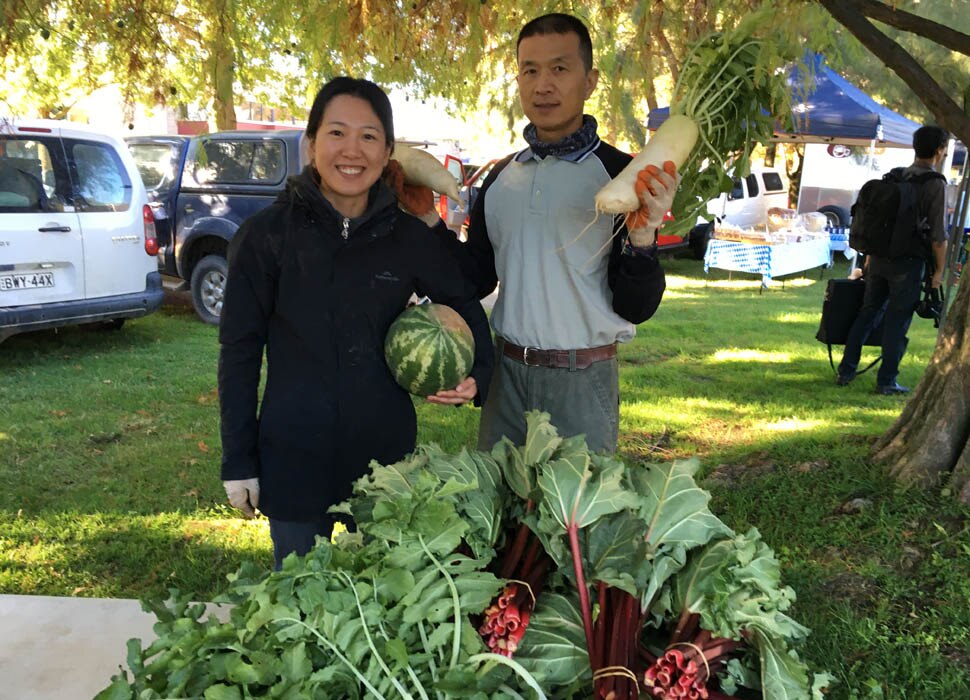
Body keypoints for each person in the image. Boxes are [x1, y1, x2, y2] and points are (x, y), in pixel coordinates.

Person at [218, 77, 494, 569]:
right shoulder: (265, 237)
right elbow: (239, 351)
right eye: (336, 133)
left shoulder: (410, 238)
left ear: (388, 151)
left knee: (390, 604)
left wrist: (479, 375)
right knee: (302, 605)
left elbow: (466, 304)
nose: (352, 150)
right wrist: (238, 458)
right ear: (311, 144)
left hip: (386, 460)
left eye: (368, 136)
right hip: (293, 456)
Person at [417, 13, 677, 453]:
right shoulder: (501, 178)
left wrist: (644, 237)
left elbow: (635, 306)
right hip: (507, 377)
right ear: (518, 79)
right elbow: (475, 278)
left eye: (560, 68)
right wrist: (428, 220)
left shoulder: (621, 177)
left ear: (590, 81)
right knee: (501, 514)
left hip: (582, 382)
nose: (543, 85)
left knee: (572, 520)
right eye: (530, 70)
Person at [837, 125, 949, 395]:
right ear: (939, 151)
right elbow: (938, 235)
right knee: (897, 322)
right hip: (907, 262)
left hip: (877, 259)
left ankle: (846, 371)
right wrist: (939, 273)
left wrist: (869, 258)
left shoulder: (897, 176)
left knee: (868, 313)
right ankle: (887, 380)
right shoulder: (934, 184)